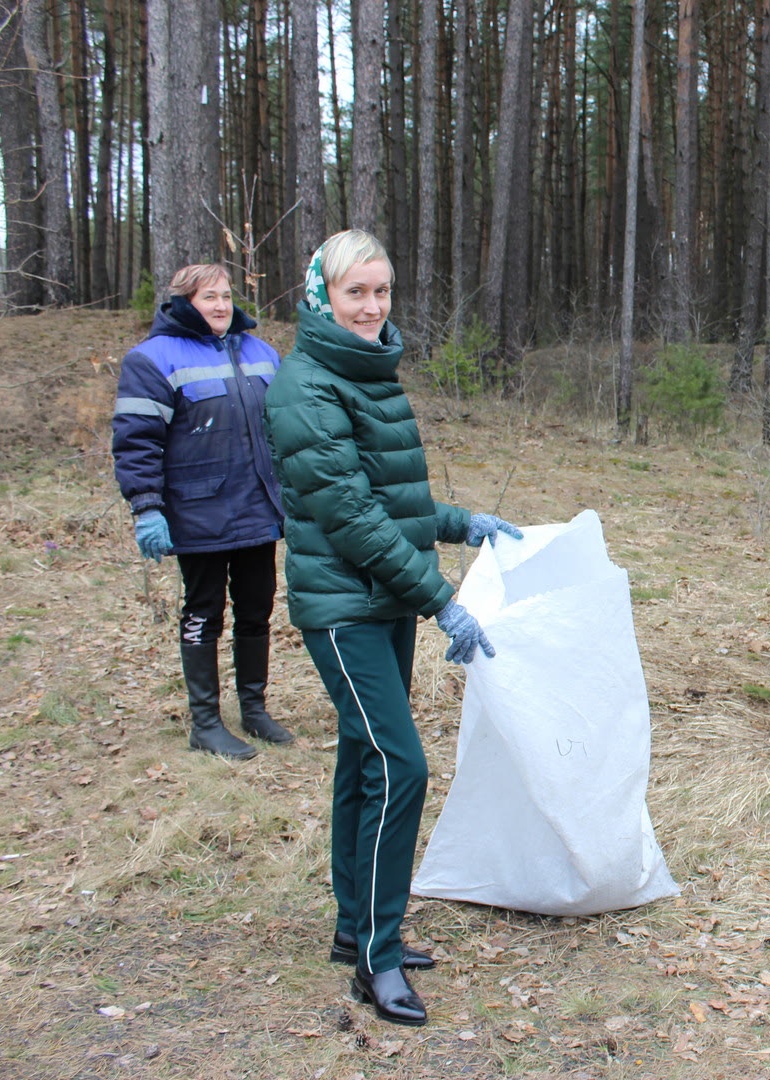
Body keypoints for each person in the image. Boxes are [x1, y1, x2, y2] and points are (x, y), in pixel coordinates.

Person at [263, 229, 522, 1028]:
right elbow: (350, 519)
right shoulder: (305, 388)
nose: (372, 307)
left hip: (382, 596)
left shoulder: (369, 371)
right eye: (356, 294)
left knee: (362, 759)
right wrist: (440, 598)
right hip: (343, 605)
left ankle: (355, 929)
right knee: (399, 765)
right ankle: (376, 959)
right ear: (321, 298)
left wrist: (459, 521)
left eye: (381, 291)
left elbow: (393, 500)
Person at [113, 263, 289, 760]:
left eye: (226, 294)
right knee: (204, 612)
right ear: (182, 302)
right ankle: (205, 723)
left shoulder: (261, 352)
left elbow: (283, 428)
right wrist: (146, 507)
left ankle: (253, 710)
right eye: (208, 296)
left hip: (258, 507)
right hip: (199, 513)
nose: (220, 304)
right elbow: (136, 443)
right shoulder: (151, 360)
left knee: (257, 610)